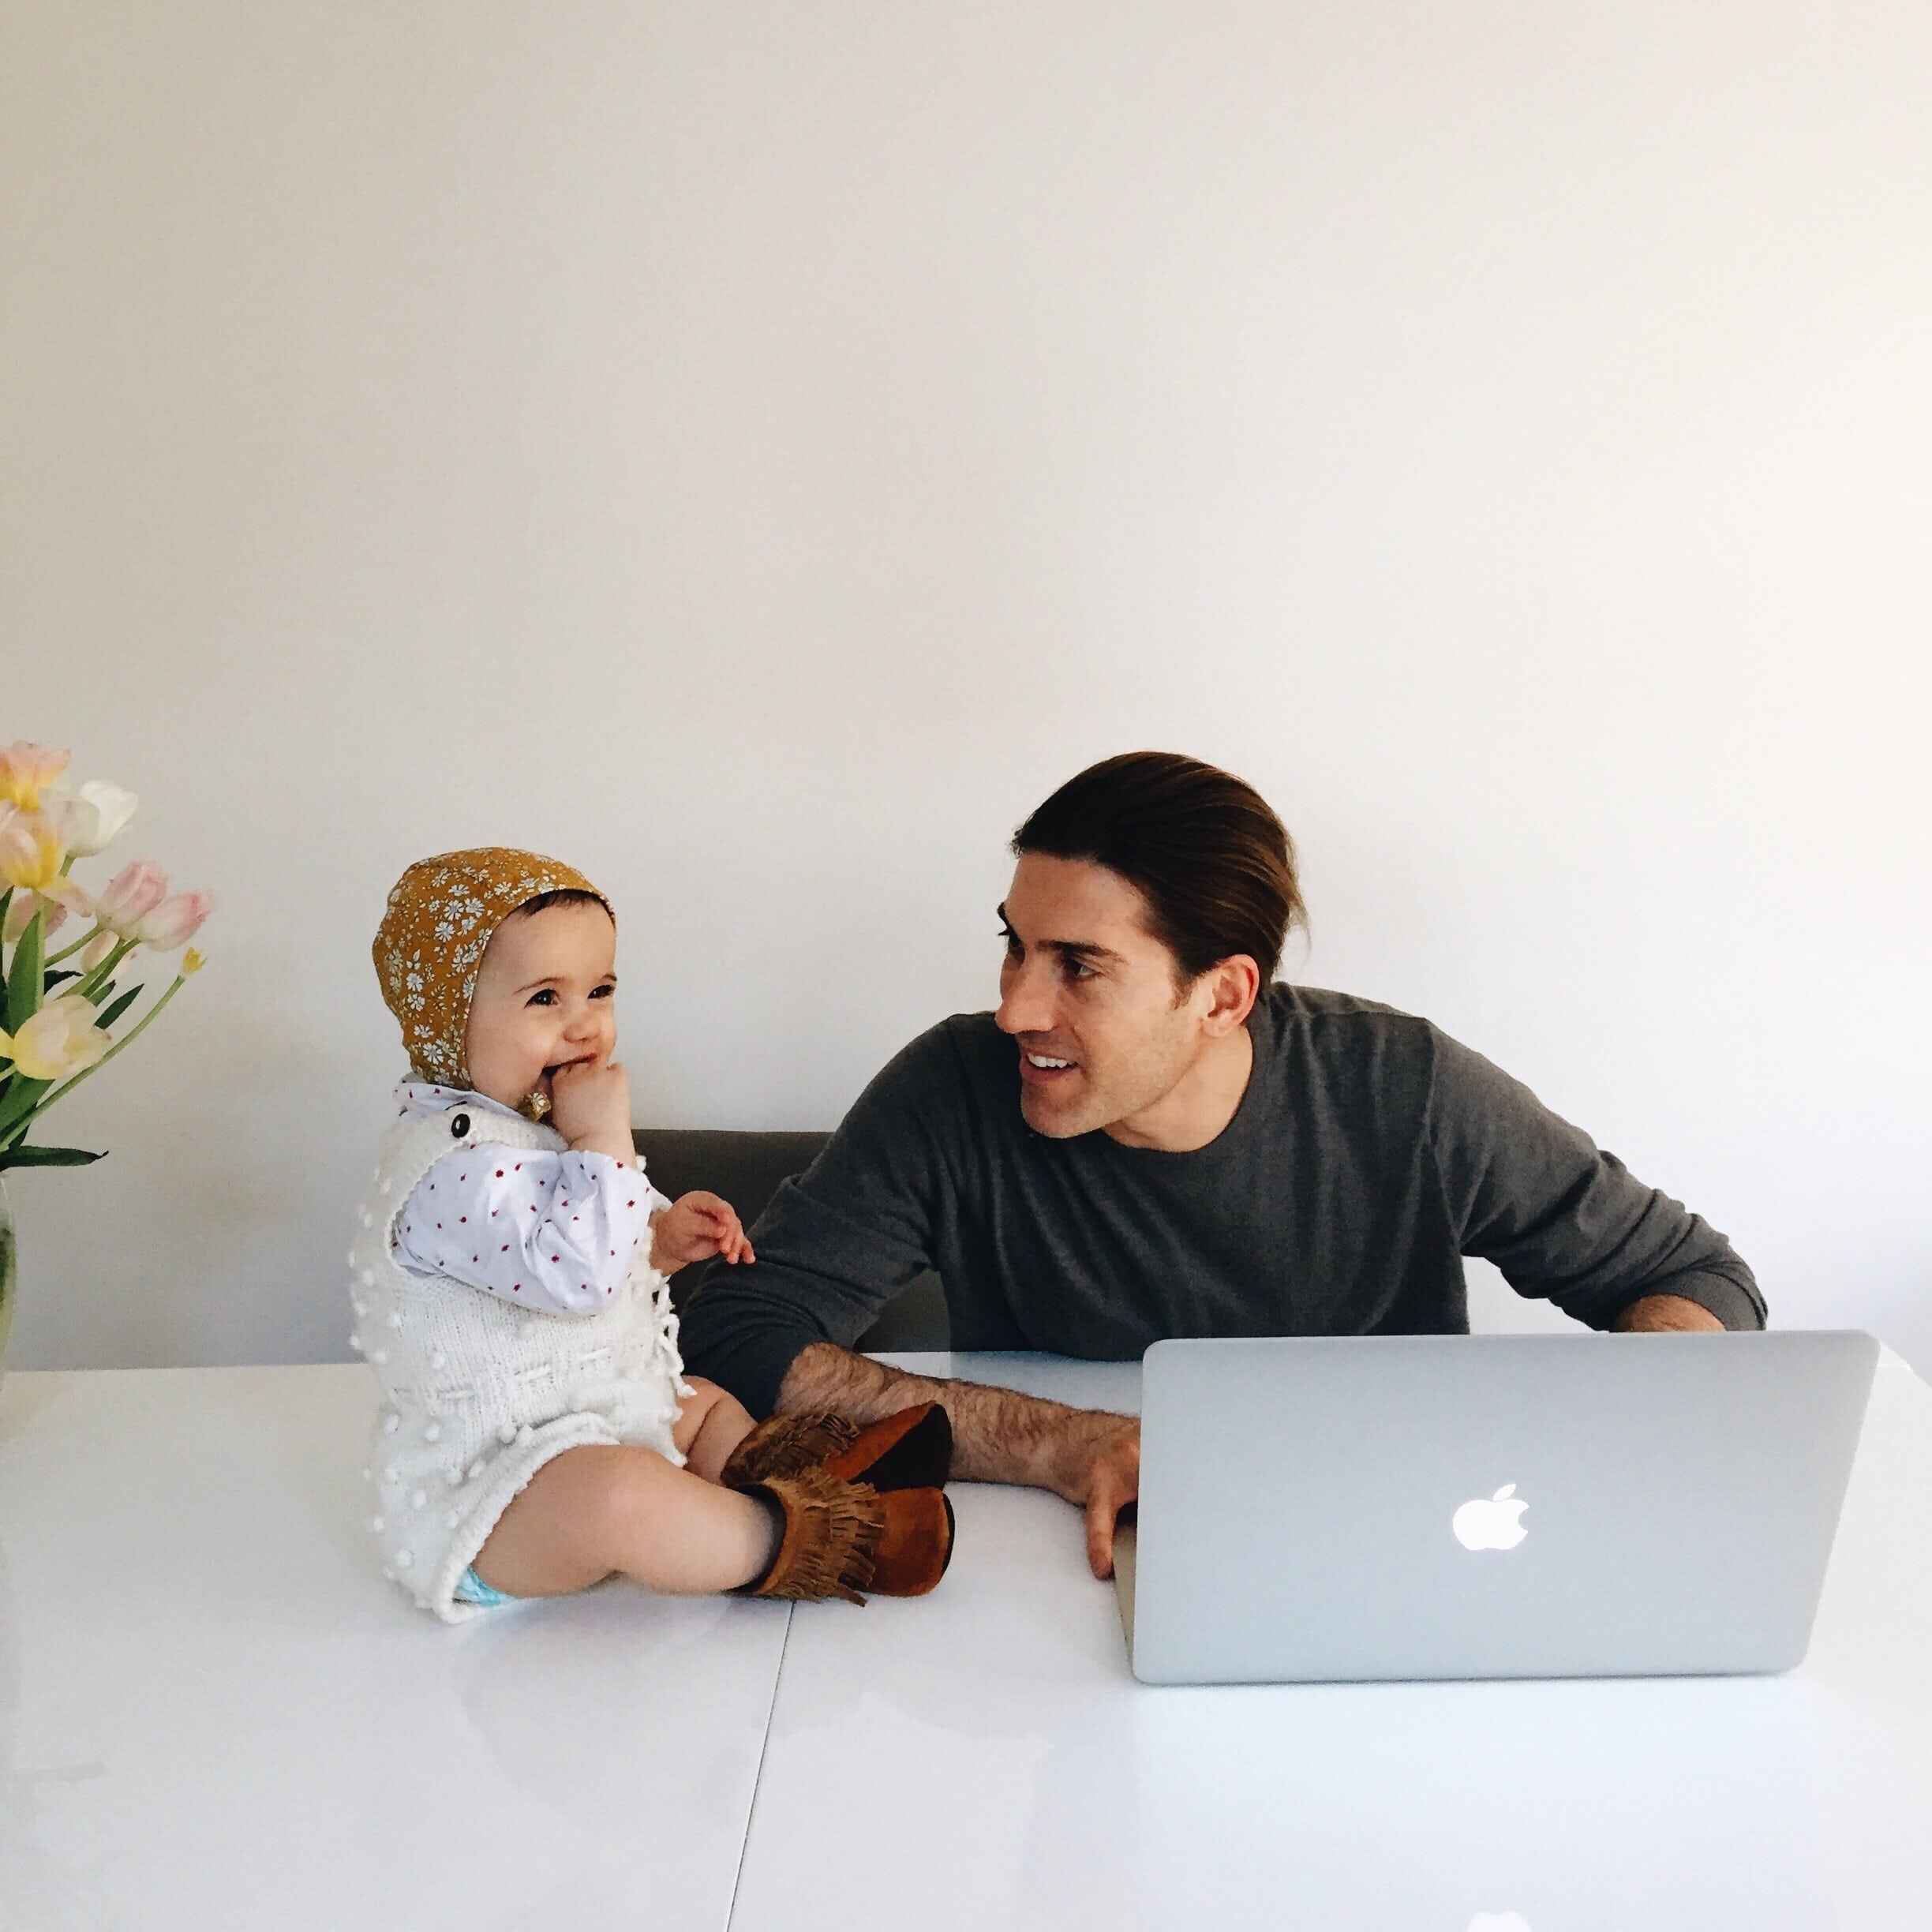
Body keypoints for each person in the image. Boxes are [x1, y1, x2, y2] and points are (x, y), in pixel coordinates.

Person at [680, 754, 1765, 1582]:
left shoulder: (1409, 1093)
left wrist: (1609, 1424)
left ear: (1223, 997)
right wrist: (1061, 1444)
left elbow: (1702, 1283)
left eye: (1079, 968)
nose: (1015, 1005)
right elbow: (736, 1324)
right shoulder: (953, 1090)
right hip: (1059, 1583)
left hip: (1395, 1567)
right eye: (1015, 943)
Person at [354, 847, 954, 1623]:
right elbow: (582, 1277)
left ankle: (802, 1474)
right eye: (544, 998)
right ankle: (805, 1536)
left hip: (585, 1421)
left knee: (700, 1403)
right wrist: (603, 1138)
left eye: (599, 991)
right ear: (446, 1013)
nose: (583, 1025)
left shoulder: (534, 1137)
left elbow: (602, 1254)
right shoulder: (447, 1169)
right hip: (492, 1492)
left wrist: (662, 1238)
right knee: (618, 1497)